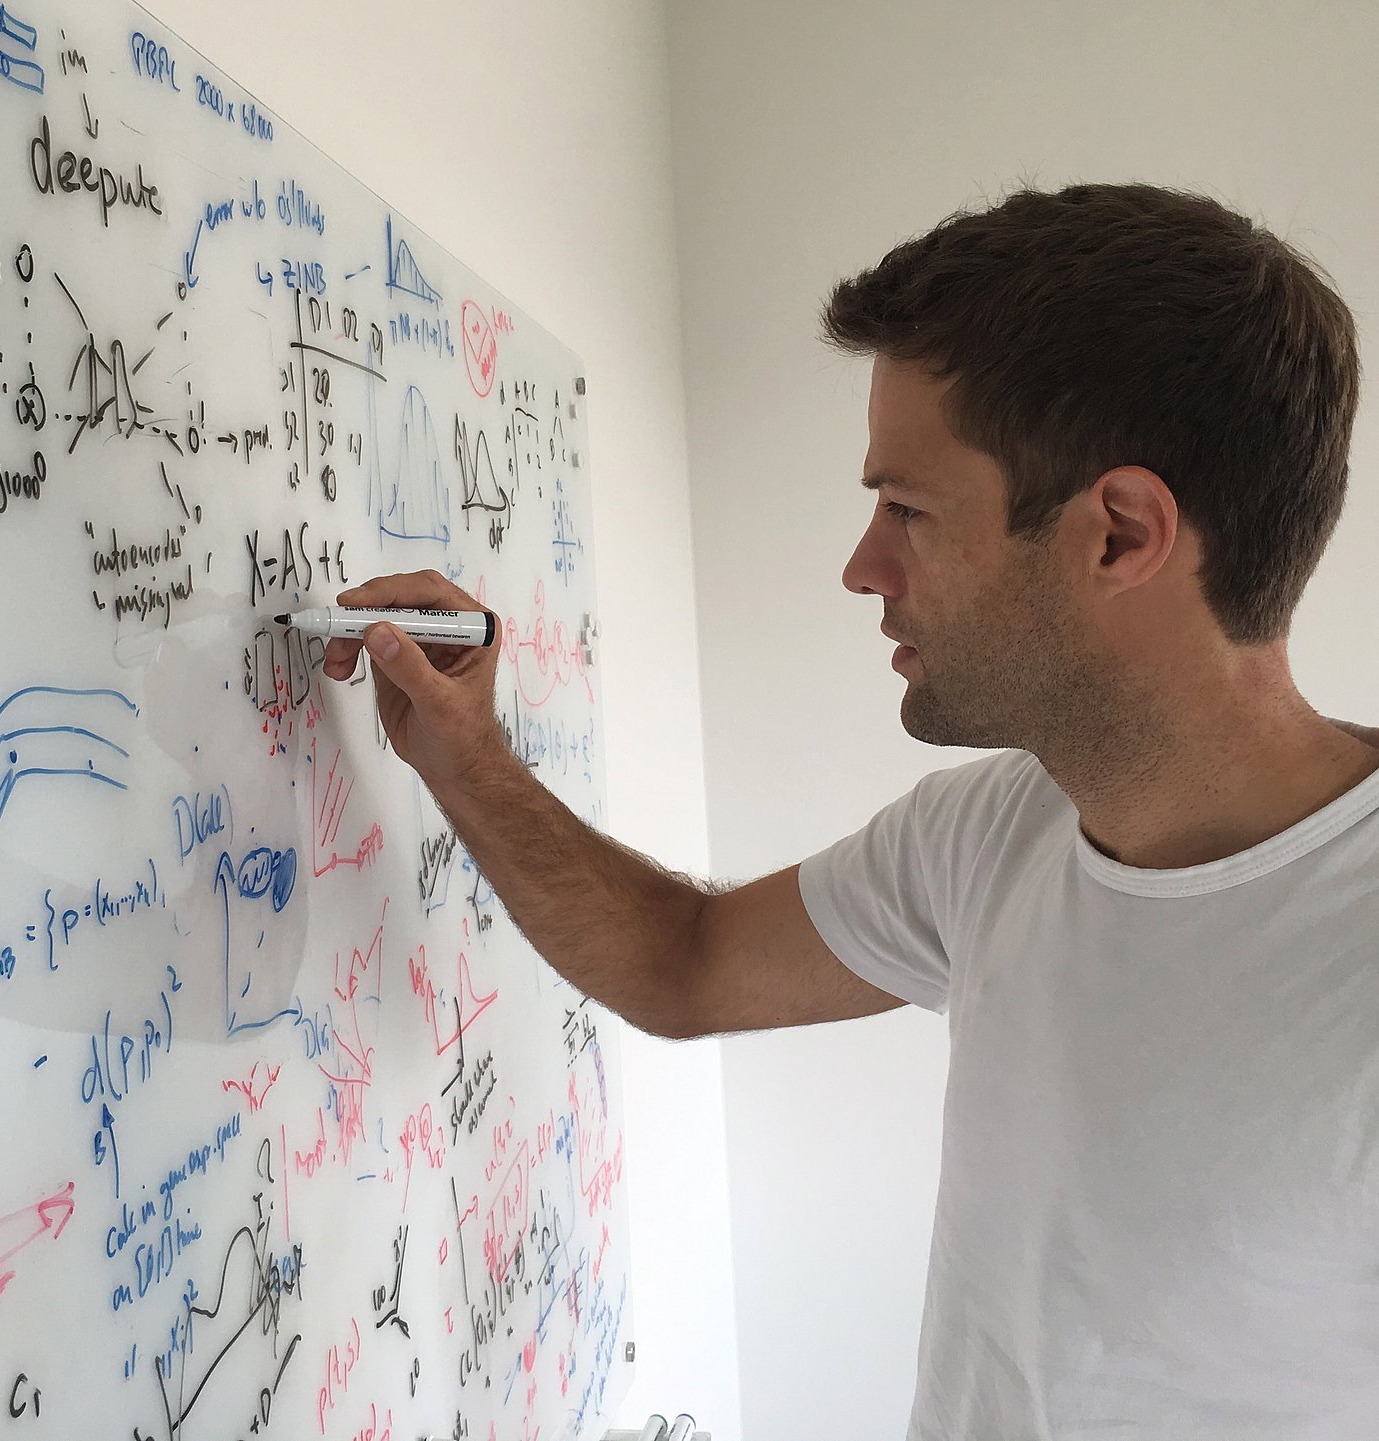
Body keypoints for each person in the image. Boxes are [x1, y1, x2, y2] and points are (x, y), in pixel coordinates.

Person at [322, 183, 1379, 1437]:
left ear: (1119, 533)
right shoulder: (987, 837)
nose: (863, 566)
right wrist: (469, 760)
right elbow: (685, 962)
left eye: (910, 509)